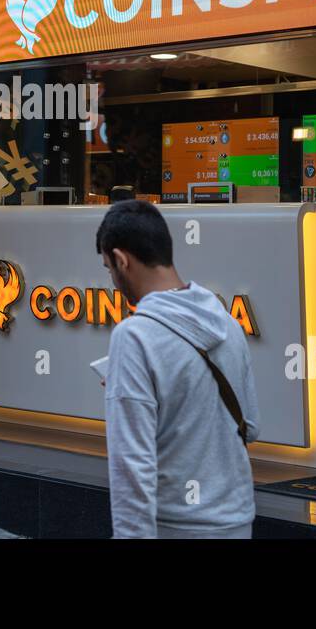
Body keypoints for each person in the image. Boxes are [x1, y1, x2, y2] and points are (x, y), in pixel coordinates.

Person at [97, 199, 260, 539]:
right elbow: (251, 427)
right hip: (236, 520)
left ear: (122, 260)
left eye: (108, 268)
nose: (112, 279)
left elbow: (132, 466)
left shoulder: (134, 337)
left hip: (176, 525)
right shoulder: (228, 324)